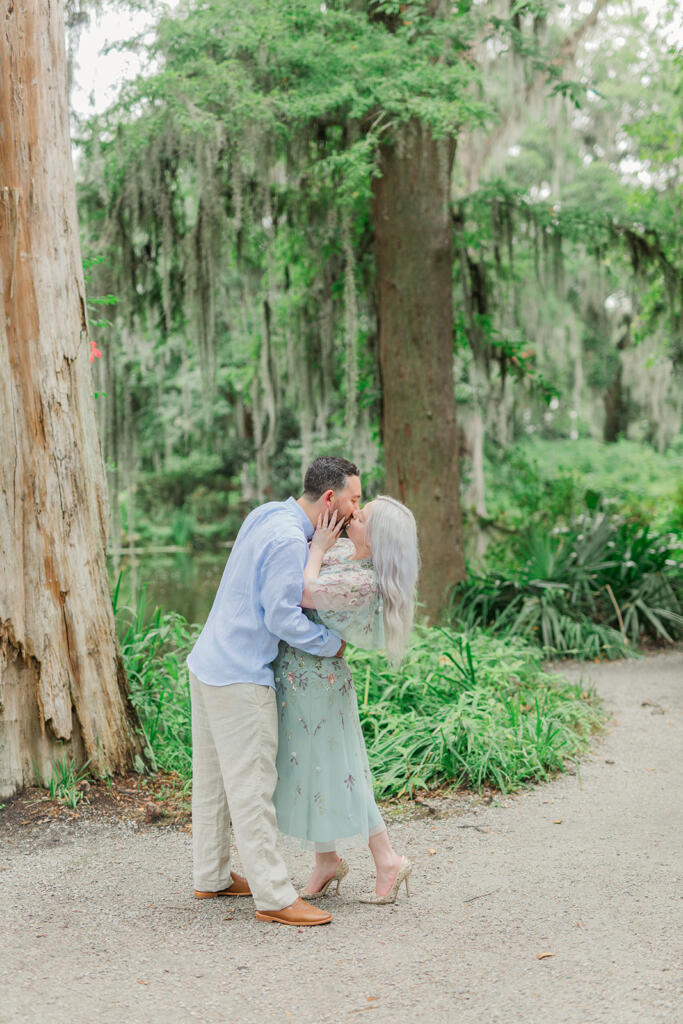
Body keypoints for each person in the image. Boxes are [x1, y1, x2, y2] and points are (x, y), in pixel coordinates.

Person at [186, 456, 361, 927]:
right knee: (252, 787)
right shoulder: (289, 539)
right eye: (354, 499)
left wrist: (319, 547)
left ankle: (212, 874)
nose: (356, 508)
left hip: (207, 661)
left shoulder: (268, 513)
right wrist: (333, 644)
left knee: (213, 782)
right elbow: (281, 616)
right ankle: (275, 897)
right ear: (330, 498)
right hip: (240, 673)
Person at [273, 496, 419, 904]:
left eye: (362, 516)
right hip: (298, 676)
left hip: (318, 684)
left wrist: (316, 549)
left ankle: (388, 858)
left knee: (342, 770)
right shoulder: (345, 550)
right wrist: (318, 545)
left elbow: (302, 591)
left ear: (377, 537)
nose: (353, 516)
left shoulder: (363, 579)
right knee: (313, 769)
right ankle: (326, 860)